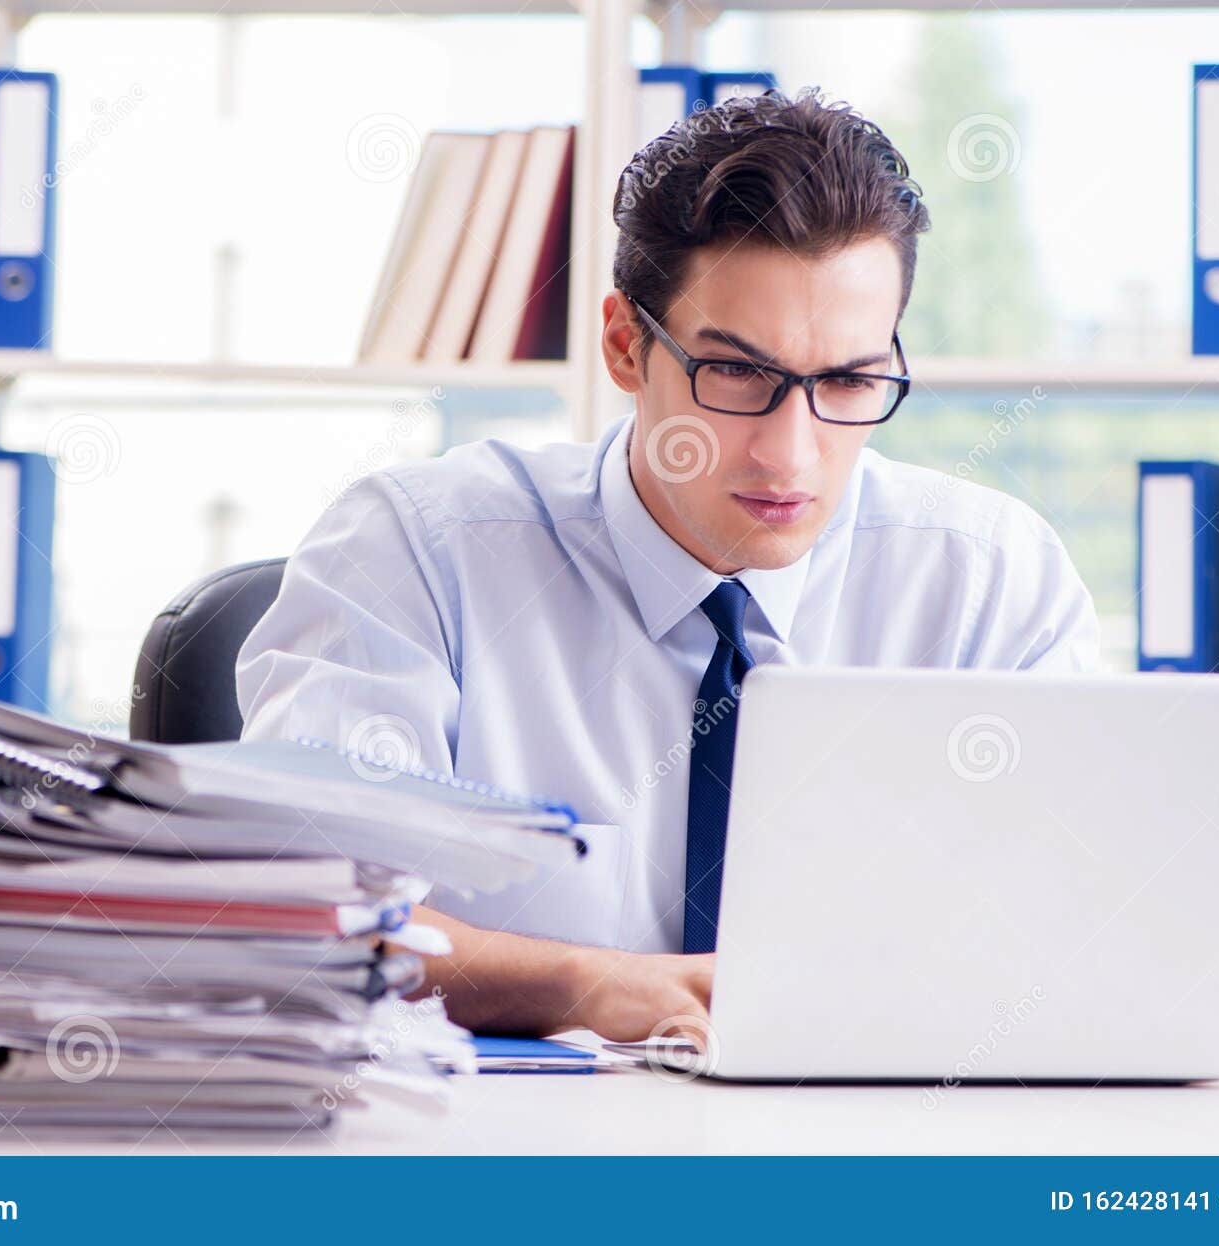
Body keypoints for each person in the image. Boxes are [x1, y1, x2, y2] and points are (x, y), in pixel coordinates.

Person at [237, 88, 1098, 1043]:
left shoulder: (991, 582)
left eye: (850, 381)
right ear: (624, 345)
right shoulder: (415, 553)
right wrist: (583, 987)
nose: (790, 454)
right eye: (737, 373)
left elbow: (1080, 929)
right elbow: (312, 913)